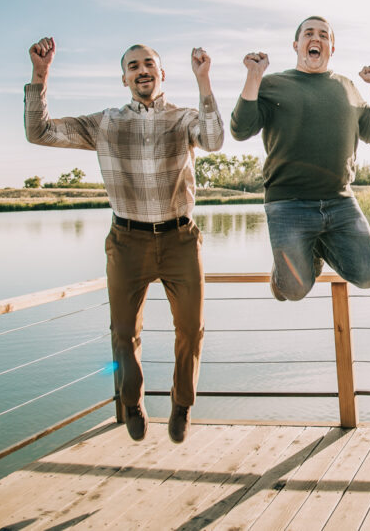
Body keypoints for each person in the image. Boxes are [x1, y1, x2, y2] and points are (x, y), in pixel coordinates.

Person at [24, 37, 224, 443]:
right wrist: (40, 75)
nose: (142, 70)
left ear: (162, 73)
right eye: (133, 66)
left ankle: (182, 403)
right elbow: (38, 132)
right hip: (127, 240)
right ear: (124, 78)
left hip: (180, 239)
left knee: (192, 328)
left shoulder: (184, 118)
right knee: (123, 332)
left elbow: (215, 139)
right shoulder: (105, 123)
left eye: (148, 63)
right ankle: (131, 401)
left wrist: (204, 81)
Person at [230, 16, 370, 301]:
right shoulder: (274, 83)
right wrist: (254, 76)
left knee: (368, 276)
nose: (316, 39)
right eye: (309, 34)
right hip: (288, 203)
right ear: (297, 45)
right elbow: (241, 129)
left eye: (324, 35)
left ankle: (316, 247)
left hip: (340, 201)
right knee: (293, 291)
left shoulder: (346, 86)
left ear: (331, 47)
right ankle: (294, 267)